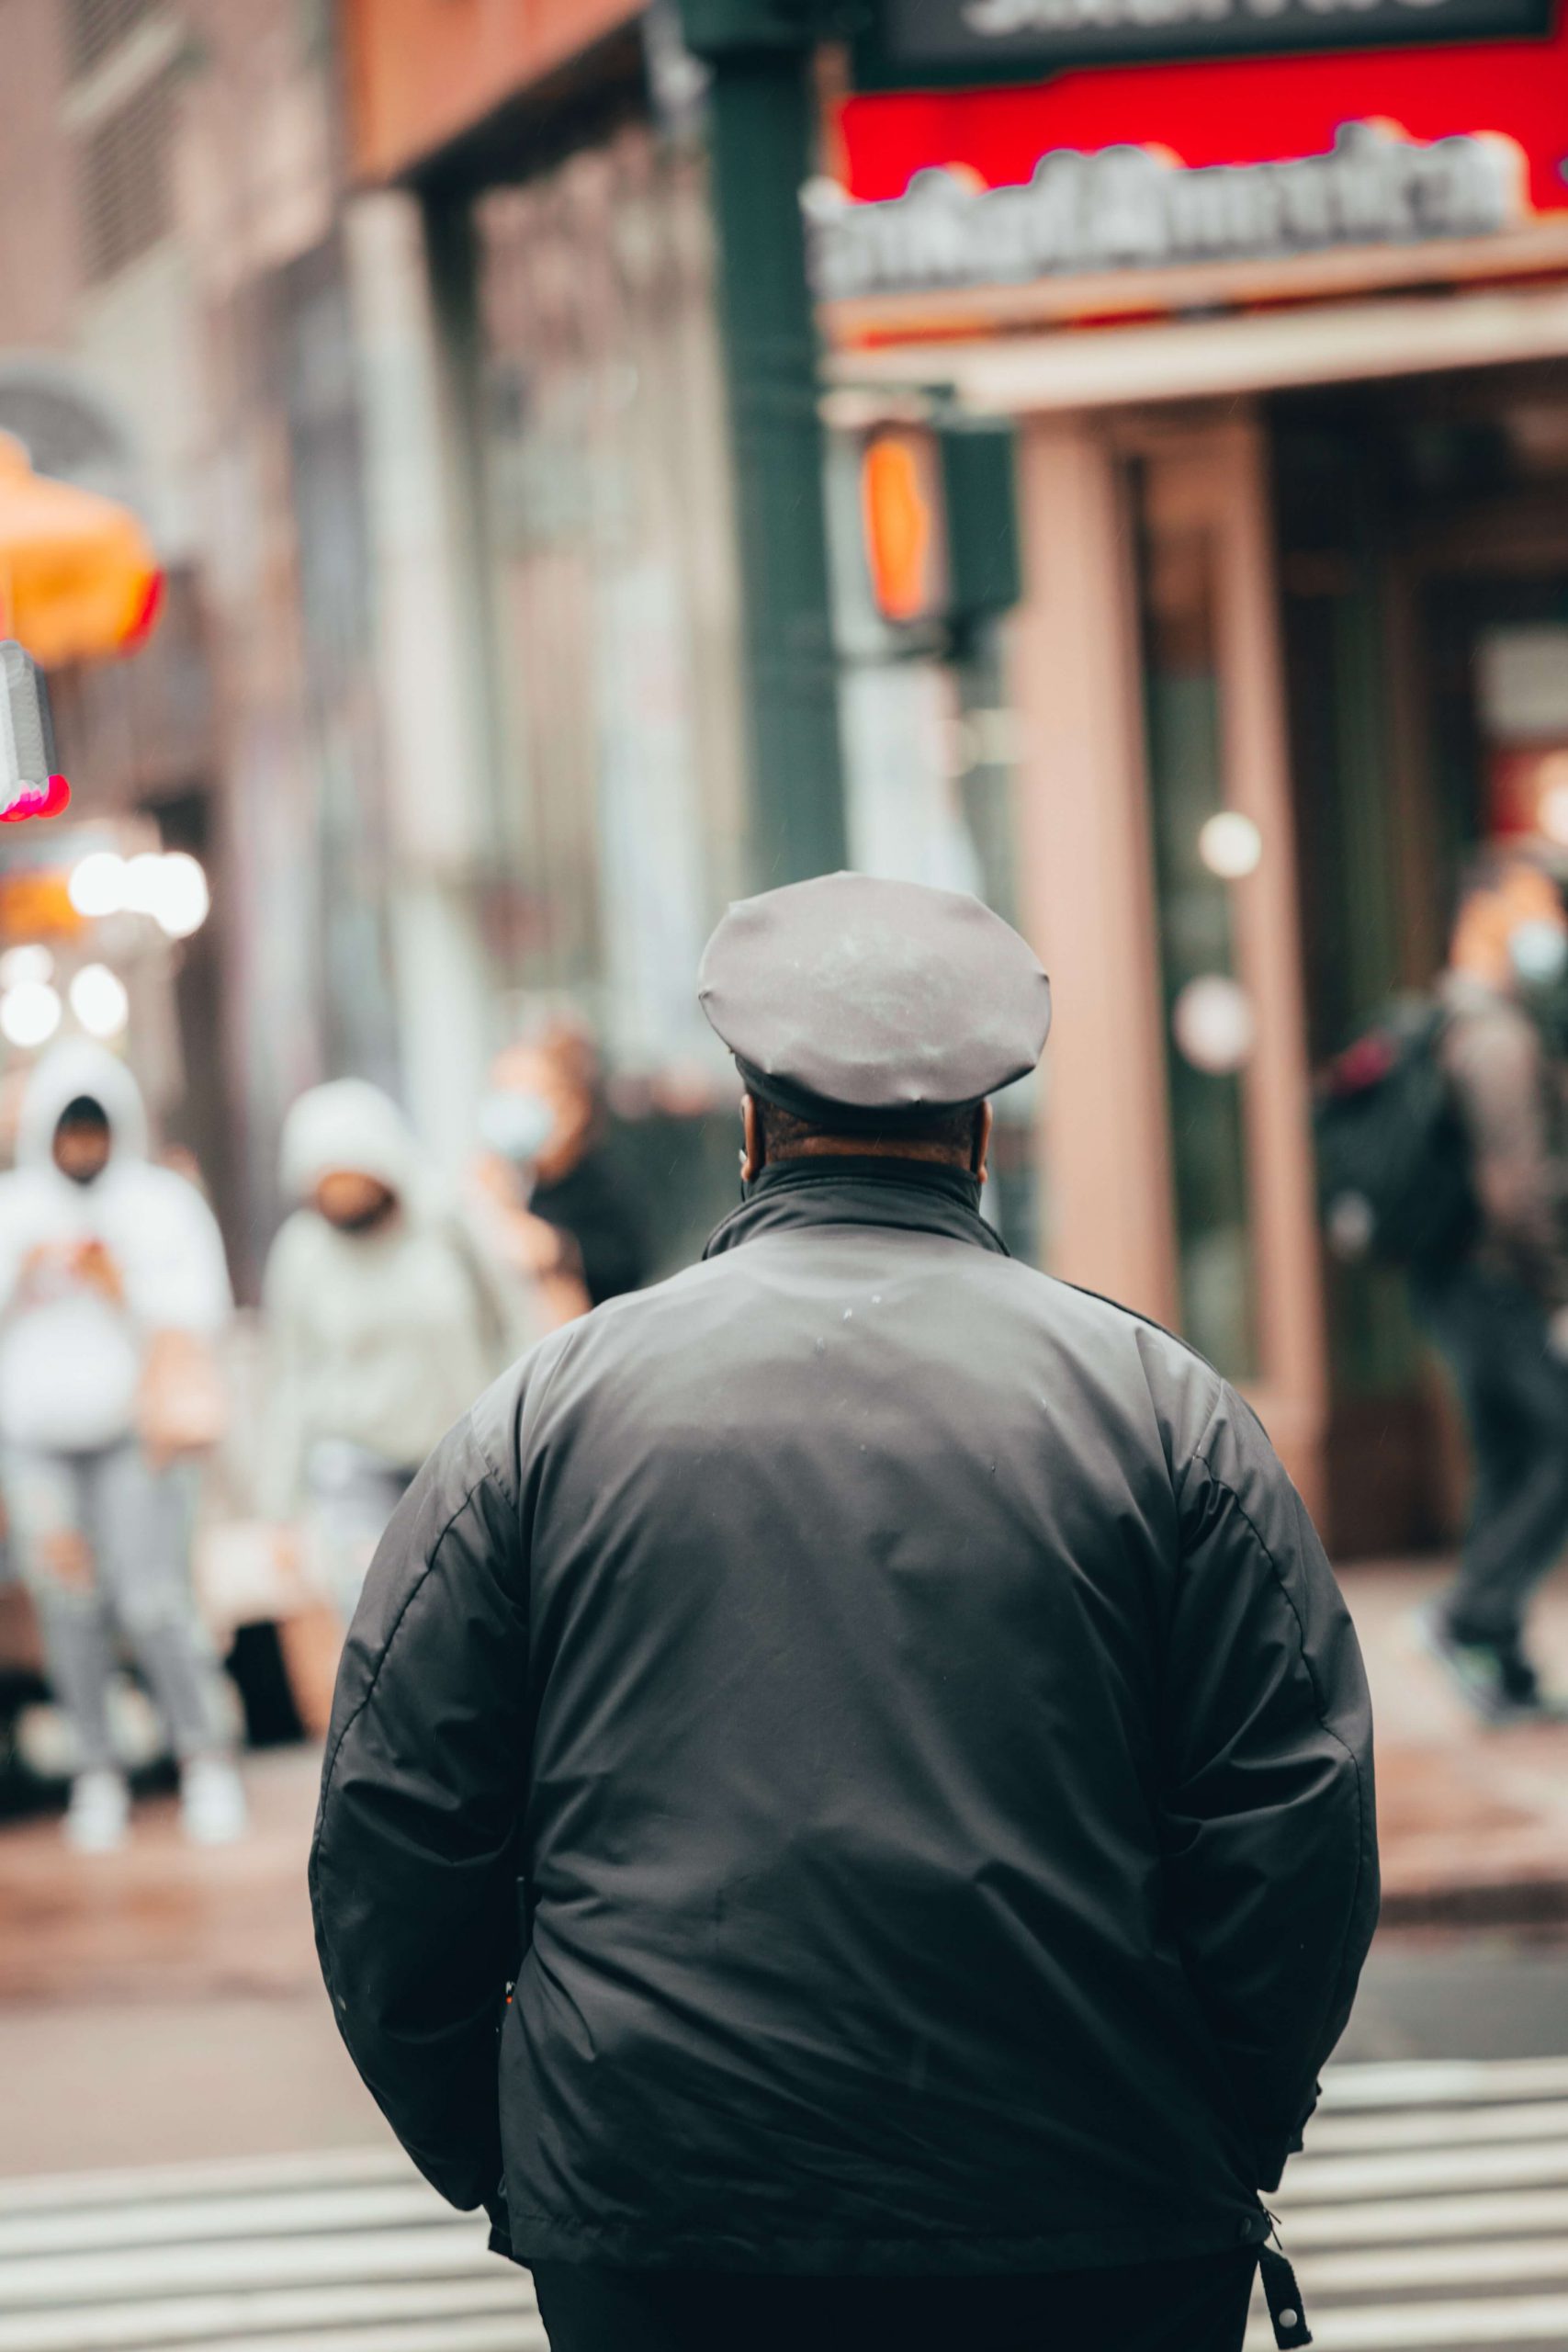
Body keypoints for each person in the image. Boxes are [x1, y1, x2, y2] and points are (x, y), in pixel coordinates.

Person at [311, 874, 1377, 2352]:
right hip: (1089, 2209)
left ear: (750, 1130)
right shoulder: (1163, 1413)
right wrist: (1219, 2131)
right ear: (981, 1137)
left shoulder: (544, 1418)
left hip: (662, 2222)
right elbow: (1290, 1830)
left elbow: (394, 1826)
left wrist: (512, 2150)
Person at [0, 1042, 243, 1851]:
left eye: (93, 1129)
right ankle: (95, 1770)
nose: (80, 1148)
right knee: (67, 1607)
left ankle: (202, 1756)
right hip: (38, 1444)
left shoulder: (159, 1203)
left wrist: (118, 1282)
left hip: (140, 1433)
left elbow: (199, 1311)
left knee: (153, 1597)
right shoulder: (14, 1208)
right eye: (66, 1132)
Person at [262, 1080, 536, 1623]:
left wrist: (528, 1434)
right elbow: (289, 1376)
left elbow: (514, 1321)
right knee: (378, 1618)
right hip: (354, 1463)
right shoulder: (301, 1251)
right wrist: (279, 1508)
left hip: (456, 1454)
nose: (342, 1196)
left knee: (470, 1608)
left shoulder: (447, 1220)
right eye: (326, 1183)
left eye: (352, 1177)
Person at [1414, 846, 1568, 1719]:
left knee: (1512, 1456)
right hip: (1500, 1286)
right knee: (1554, 1449)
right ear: (1485, 911)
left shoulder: (1445, 1020)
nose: (1549, 925)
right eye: (1536, 905)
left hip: (1455, 1284)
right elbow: (1517, 1187)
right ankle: (1471, 1614)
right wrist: (1556, 1292)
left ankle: (1496, 1651)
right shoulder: (1495, 1034)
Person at [475, 1015, 648, 1317]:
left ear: (574, 1104)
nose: (513, 1108)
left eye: (529, 1094)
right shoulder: (503, 1179)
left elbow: (626, 1268)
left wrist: (558, 1250)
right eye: (503, 1092)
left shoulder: (605, 1184)